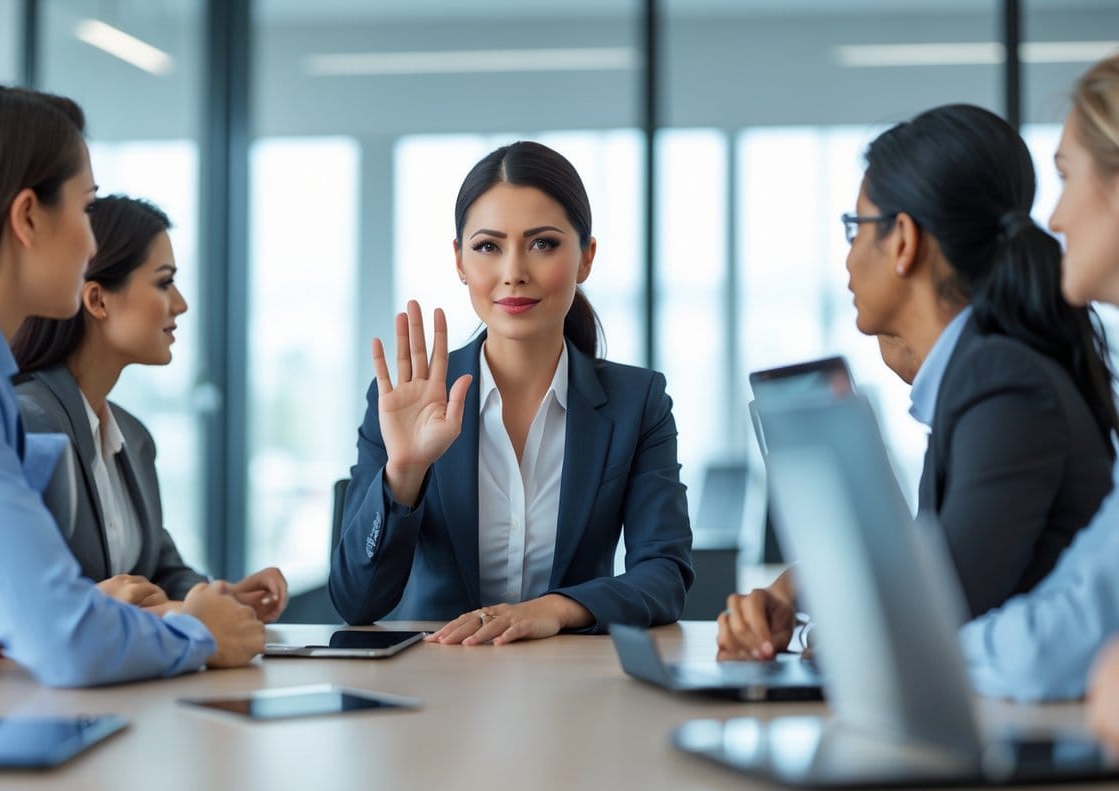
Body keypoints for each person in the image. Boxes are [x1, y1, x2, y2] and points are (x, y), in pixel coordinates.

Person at [718, 103, 1119, 661]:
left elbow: (928, 615)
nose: (849, 258)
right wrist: (800, 587)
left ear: (903, 240)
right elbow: (936, 559)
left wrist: (824, 637)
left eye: (857, 229)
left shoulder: (999, 378)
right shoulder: (982, 372)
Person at [0, 84, 263, 686]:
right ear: (27, 218)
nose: (92, 242)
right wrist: (198, 633)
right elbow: (63, 637)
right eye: (84, 208)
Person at [329, 140, 694, 644]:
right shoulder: (406, 401)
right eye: (487, 247)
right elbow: (356, 601)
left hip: (574, 686)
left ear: (586, 257)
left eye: (543, 243)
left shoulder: (639, 402)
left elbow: (665, 575)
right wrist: (405, 473)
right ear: (459, 260)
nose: (513, 272)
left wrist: (557, 609)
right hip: (437, 690)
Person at [3, 195, 287, 638]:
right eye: (164, 282)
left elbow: (161, 570)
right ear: (98, 299)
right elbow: (25, 599)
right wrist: (182, 614)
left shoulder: (133, 437)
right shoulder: (29, 424)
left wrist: (221, 598)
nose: (181, 304)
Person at [958, 54, 1119, 703]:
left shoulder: (1001, 377)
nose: (1052, 219)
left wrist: (934, 653)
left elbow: (1048, 652)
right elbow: (1070, 602)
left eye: (1064, 176)